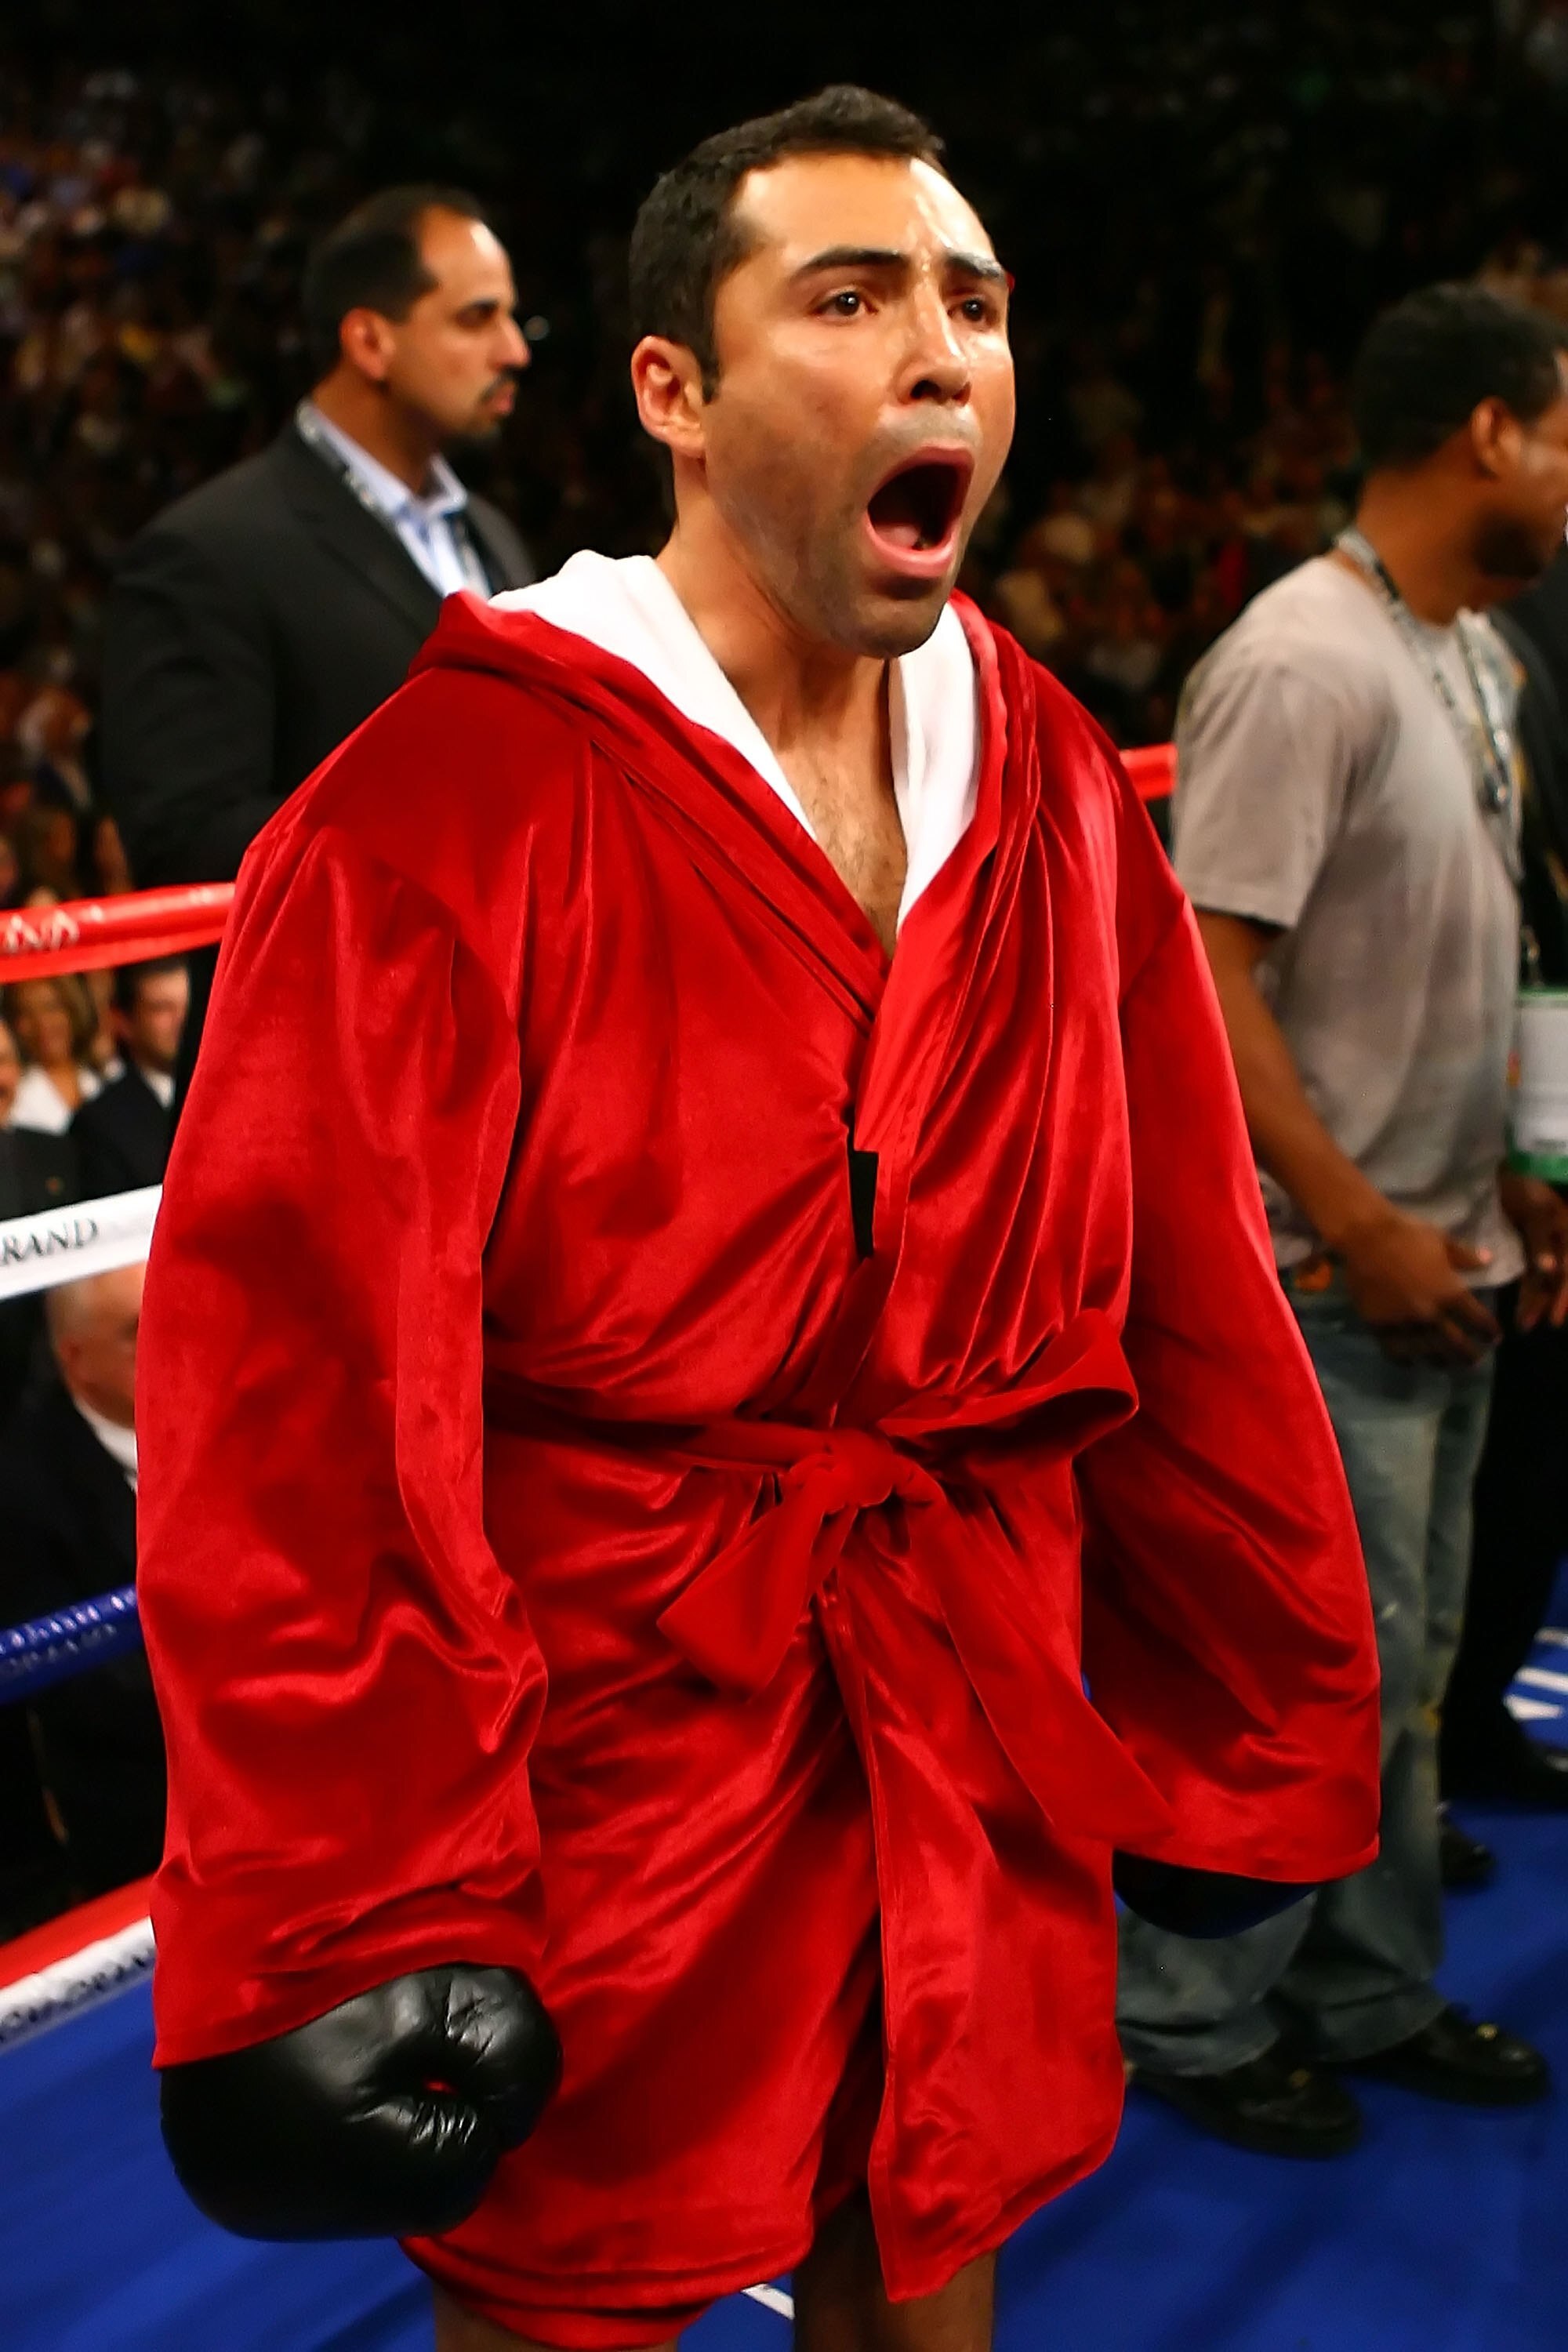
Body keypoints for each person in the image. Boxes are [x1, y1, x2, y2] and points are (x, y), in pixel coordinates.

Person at [136, 90, 1381, 2352]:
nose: (942, 356)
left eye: (976, 306)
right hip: (613, 1745)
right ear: (675, 397)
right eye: (853, 296)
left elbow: (1187, 1273)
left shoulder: (1043, 774)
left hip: (967, 1687)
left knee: (935, 2259)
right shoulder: (444, 805)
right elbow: (301, 1390)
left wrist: (1245, 1680)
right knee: (568, 2296)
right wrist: (353, 1901)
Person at [1120, 284, 1568, 2158]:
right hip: (1322, 1271)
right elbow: (1198, 983)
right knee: (1296, 1667)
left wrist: (1527, 1174)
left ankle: (1365, 1984)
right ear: (1482, 433)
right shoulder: (1296, 660)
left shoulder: (1471, 650)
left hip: (1442, 1245)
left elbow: (1519, 932)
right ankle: (1191, 2012)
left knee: (1412, 1648)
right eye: (1558, 431)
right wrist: (1351, 1217)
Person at [101, 184, 536, 1084]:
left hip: (511, 1069)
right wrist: (446, 822)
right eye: (476, 319)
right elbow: (186, 836)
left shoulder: (494, 534)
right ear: (370, 339)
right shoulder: (211, 549)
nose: (513, 350)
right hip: (320, 1087)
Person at [1439, 545, 1568, 1808]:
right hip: (1428, 1173)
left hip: (1516, 1119)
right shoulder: (1506, 624)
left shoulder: (1489, 643)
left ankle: (1464, 1728)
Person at [0, 1261, 162, 1898]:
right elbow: (91, 1697)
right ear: (77, 1359)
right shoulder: (24, 1492)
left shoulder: (239, 1404)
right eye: (137, 1332)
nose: (172, 1343)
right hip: (144, 1808)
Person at [69, 960, 189, 1196]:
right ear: (123, 1022)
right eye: (162, 1008)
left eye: (188, 1006)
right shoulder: (98, 1123)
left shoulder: (232, 1093)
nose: (181, 1020)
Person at [2, 975, 103, 1134]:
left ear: (74, 1009)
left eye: (51, 1007)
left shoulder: (105, 1077)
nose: (42, 1024)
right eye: (26, 1013)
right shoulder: (11, 1095)